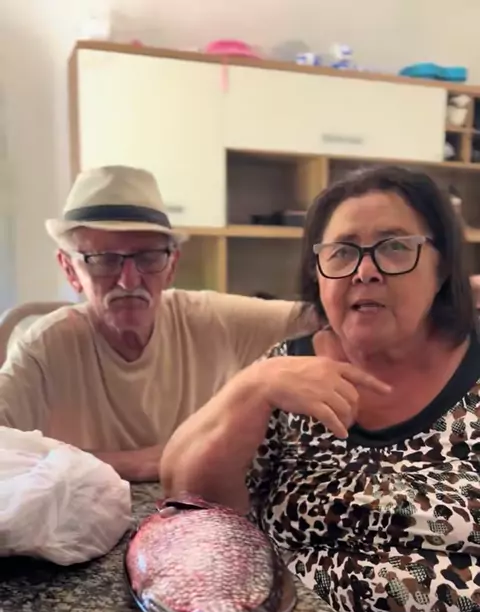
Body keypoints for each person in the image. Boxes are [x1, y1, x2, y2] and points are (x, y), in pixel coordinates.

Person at [161, 164, 480, 612]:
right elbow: (192, 504)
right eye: (342, 252)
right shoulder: (287, 371)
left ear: (443, 264)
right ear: (318, 271)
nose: (365, 271)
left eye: (394, 247)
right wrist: (251, 389)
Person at [0, 165, 314, 481]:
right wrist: (137, 463)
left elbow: (319, 318)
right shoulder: (45, 347)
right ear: (70, 270)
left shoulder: (210, 319)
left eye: (148, 257)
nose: (128, 281)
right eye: (104, 259)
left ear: (171, 266)